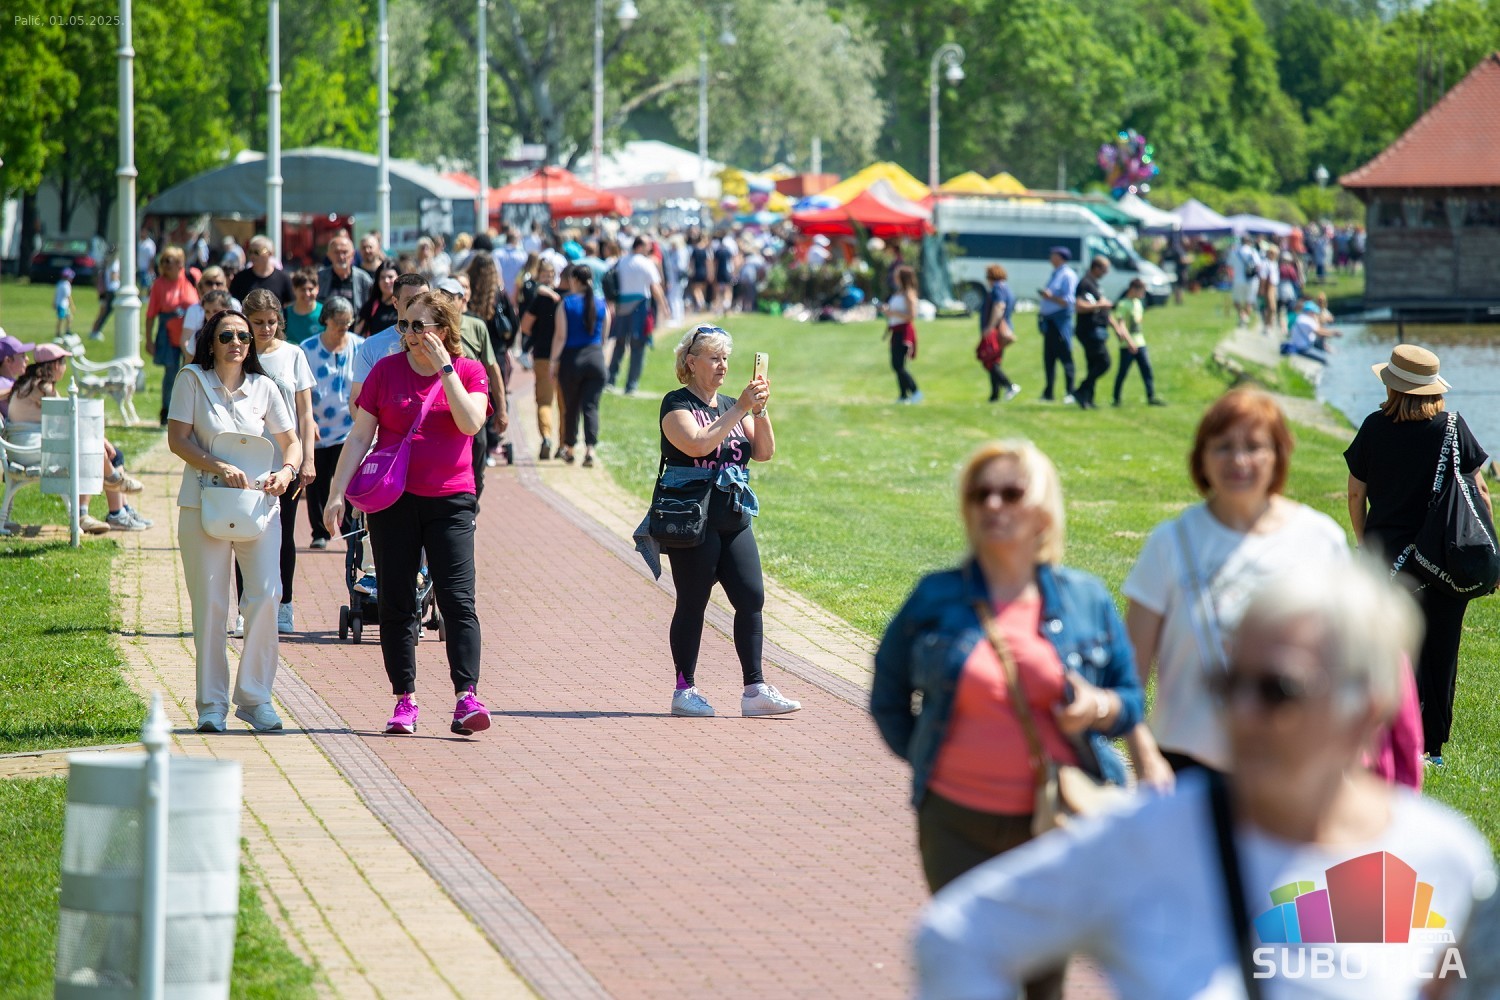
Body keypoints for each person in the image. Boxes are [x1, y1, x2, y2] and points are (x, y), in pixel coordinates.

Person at [914, 560, 1496, 1000]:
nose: (1240, 714)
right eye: (1228, 684)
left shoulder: (1446, 858)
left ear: (1367, 708)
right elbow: (955, 940)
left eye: (1276, 690)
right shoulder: (1148, 839)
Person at [873, 441, 1142, 997]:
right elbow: (888, 695)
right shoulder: (936, 597)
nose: (993, 504)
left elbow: (1129, 700)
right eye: (981, 493)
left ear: (1042, 509)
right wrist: (928, 757)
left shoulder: (1085, 600)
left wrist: (1098, 707)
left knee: (1041, 978)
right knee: (970, 970)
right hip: (954, 824)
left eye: (1011, 493)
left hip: (1054, 823)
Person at [1122, 389, 1348, 783]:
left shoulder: (1320, 540)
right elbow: (1128, 675)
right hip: (1186, 771)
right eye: (1223, 447)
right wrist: (1145, 760)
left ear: (1278, 454)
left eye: (1254, 446)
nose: (1239, 460)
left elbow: (1347, 663)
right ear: (1201, 457)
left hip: (1291, 767)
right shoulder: (1171, 543)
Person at [323, 291, 494, 737]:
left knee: (458, 600)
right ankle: (405, 700)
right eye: (405, 325)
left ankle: (466, 698)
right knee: (396, 601)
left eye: (420, 325)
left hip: (451, 500)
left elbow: (471, 423)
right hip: (392, 501)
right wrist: (337, 492)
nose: (411, 334)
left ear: (444, 329)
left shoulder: (469, 371)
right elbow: (360, 436)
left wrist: (445, 369)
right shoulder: (386, 371)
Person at [1346, 345, 1489, 767]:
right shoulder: (1452, 427)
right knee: (1442, 652)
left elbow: (1355, 493)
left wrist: (1365, 543)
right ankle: (1433, 748)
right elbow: (1480, 492)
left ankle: (1392, 737)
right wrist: (1487, 550)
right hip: (1445, 556)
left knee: (1393, 649)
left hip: (1389, 561)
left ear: (1391, 385)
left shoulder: (1374, 426)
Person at [656, 324, 799, 719]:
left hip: (733, 517)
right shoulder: (676, 404)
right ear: (691, 362)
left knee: (751, 599)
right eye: (714, 358)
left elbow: (764, 451)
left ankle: (755, 690)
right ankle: (684, 690)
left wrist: (760, 410)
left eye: (725, 359)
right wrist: (739, 410)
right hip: (693, 520)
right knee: (693, 602)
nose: (722, 366)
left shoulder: (733, 405)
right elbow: (698, 443)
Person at [167, 309, 301, 732]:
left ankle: (255, 698)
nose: (237, 342)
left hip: (258, 506)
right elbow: (178, 440)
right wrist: (218, 465)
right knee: (211, 605)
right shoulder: (192, 379)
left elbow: (292, 442)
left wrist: (287, 472)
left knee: (266, 596)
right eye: (226, 336)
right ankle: (211, 706)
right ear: (211, 341)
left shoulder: (265, 386)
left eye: (244, 336)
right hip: (203, 502)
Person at [238, 288, 316, 635]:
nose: (265, 329)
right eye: (258, 322)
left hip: (286, 458)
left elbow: (305, 412)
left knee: (283, 533)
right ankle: (245, 607)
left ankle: (285, 605)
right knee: (244, 532)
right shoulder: (239, 353)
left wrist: (307, 459)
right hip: (248, 457)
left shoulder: (293, 355)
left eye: (271, 322)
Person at [7, 344, 150, 532]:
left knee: (100, 451)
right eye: (63, 362)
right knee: (89, 453)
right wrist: (100, 440)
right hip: (32, 452)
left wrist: (100, 440)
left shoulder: (28, 384)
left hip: (21, 450)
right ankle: (106, 501)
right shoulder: (43, 387)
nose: (65, 367)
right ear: (54, 365)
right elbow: (70, 421)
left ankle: (115, 498)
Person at [299, 295, 363, 550]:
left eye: (348, 323)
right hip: (317, 428)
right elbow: (299, 389)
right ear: (326, 320)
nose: (343, 328)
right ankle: (319, 532)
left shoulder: (359, 346)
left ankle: (349, 530)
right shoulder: (307, 349)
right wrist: (308, 421)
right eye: (338, 323)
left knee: (348, 481)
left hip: (349, 429)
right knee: (317, 483)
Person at [439, 276, 508, 492]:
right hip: (441, 403)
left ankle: (472, 501)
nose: (445, 302)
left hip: (472, 401)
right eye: (441, 296)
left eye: (450, 297)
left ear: (462, 300)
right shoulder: (432, 328)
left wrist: (502, 410)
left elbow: (493, 369)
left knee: (479, 451)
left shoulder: (476, 326)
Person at [550, 265, 609, 467]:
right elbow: (604, 337)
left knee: (571, 406)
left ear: (574, 280)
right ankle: (590, 449)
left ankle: (570, 447)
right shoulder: (601, 304)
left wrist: (553, 363)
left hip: (572, 360)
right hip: (595, 359)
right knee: (591, 407)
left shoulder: (566, 304)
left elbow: (560, 337)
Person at [146, 246, 200, 426]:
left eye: (170, 261)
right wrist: (149, 340)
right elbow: (151, 314)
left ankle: (190, 412)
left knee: (192, 373)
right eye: (163, 261)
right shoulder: (159, 284)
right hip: (168, 334)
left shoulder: (192, 277)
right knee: (171, 373)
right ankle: (167, 410)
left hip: (191, 333)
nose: (166, 265)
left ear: (180, 262)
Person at [519, 260, 564, 459]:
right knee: (564, 403)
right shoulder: (564, 298)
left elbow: (525, 326)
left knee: (544, 401)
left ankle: (546, 437)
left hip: (543, 355)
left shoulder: (538, 299)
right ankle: (563, 445)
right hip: (563, 356)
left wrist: (537, 334)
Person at [1108, 278, 1163, 407]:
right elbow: (1122, 326)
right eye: (1141, 291)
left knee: (1146, 370)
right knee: (1123, 372)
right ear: (1133, 289)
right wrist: (1129, 342)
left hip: (1140, 342)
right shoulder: (1123, 304)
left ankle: (1151, 396)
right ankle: (1116, 398)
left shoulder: (1138, 303)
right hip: (1127, 345)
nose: (1143, 294)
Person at [1070, 255, 1113, 410]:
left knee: (1093, 364)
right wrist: (1099, 305)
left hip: (1096, 329)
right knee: (1104, 362)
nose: (1106, 273)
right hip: (1089, 329)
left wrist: (1116, 327)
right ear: (1096, 268)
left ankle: (1087, 398)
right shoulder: (1085, 283)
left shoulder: (1094, 284)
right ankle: (1081, 390)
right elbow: (1079, 306)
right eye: (1104, 270)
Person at [1036, 247, 1077, 404]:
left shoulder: (1067, 275)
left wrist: (1050, 297)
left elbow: (1069, 300)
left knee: (1065, 356)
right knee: (1049, 358)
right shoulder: (1056, 274)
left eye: (1053, 255)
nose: (1050, 257)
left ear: (1060, 257)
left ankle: (1070, 392)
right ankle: (1049, 392)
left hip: (1060, 322)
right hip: (1050, 322)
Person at [979, 264, 1020, 403]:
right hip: (1003, 329)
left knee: (989, 360)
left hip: (996, 331)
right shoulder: (1006, 288)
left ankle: (1009, 386)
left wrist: (990, 327)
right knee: (994, 360)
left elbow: (999, 307)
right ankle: (994, 395)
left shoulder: (998, 288)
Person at [885, 265, 923, 404]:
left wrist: (893, 313)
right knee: (896, 364)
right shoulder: (899, 292)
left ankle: (915, 391)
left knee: (898, 364)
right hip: (896, 330)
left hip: (904, 331)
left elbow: (912, 315)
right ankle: (903, 395)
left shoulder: (908, 293)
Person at [180, 267, 236, 357]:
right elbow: (185, 340)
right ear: (201, 285)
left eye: (218, 283)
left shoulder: (234, 304)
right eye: (209, 283)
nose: (214, 287)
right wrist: (195, 359)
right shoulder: (194, 309)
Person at [229, 235, 294, 306]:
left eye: (257, 252)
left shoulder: (283, 278)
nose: (252, 255)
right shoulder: (240, 278)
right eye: (250, 252)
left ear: (270, 253)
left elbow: (290, 305)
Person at [318, 233, 373, 313]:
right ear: (329, 255)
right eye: (336, 252)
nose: (341, 257)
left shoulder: (364, 280)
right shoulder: (320, 278)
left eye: (345, 252)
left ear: (353, 254)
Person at [0, 333, 35, 420]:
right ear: (8, 360)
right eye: (22, 356)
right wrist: (19, 389)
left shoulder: (10, 381)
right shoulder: (2, 382)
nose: (27, 359)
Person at [87, 249, 120, 341]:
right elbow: (114, 277)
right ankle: (95, 331)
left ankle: (95, 330)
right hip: (113, 290)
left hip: (108, 290)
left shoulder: (108, 263)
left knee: (104, 312)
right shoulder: (115, 263)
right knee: (106, 312)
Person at [284, 269, 324, 344]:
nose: (307, 294)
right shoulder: (284, 315)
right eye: (302, 289)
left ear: (317, 289)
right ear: (294, 289)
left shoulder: (325, 313)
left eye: (310, 289)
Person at [1229, 234, 1261, 327]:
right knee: (1249, 301)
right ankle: (1245, 317)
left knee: (1236, 301)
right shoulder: (1253, 252)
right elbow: (1259, 266)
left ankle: (1242, 316)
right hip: (1252, 280)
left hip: (1238, 279)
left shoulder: (1234, 252)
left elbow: (1229, 266)